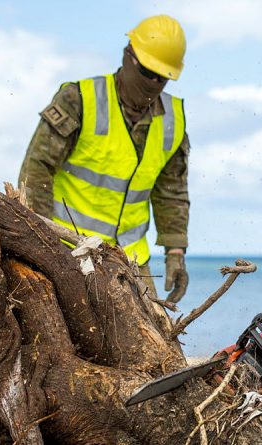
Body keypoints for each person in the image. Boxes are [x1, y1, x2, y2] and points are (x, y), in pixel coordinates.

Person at [19, 15, 190, 303]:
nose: (153, 82)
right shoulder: (80, 100)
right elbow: (37, 170)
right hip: (68, 248)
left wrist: (175, 252)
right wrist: (40, 242)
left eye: (162, 78)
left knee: (157, 337)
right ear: (128, 56)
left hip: (131, 258)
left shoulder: (172, 122)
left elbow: (171, 193)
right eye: (148, 72)